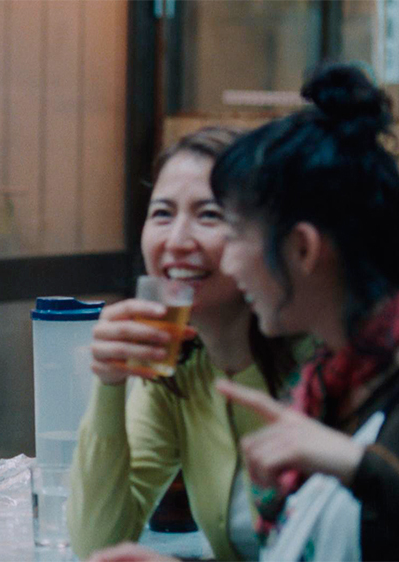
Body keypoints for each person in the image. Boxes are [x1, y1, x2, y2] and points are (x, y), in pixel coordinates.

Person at [68, 127, 305, 560]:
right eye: (162, 214)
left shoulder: (320, 362)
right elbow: (98, 545)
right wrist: (109, 383)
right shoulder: (175, 370)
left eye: (209, 215)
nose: (176, 242)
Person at [212, 64, 399, 560]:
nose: (227, 263)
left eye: (234, 235)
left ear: (303, 249)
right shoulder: (327, 382)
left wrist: (355, 464)